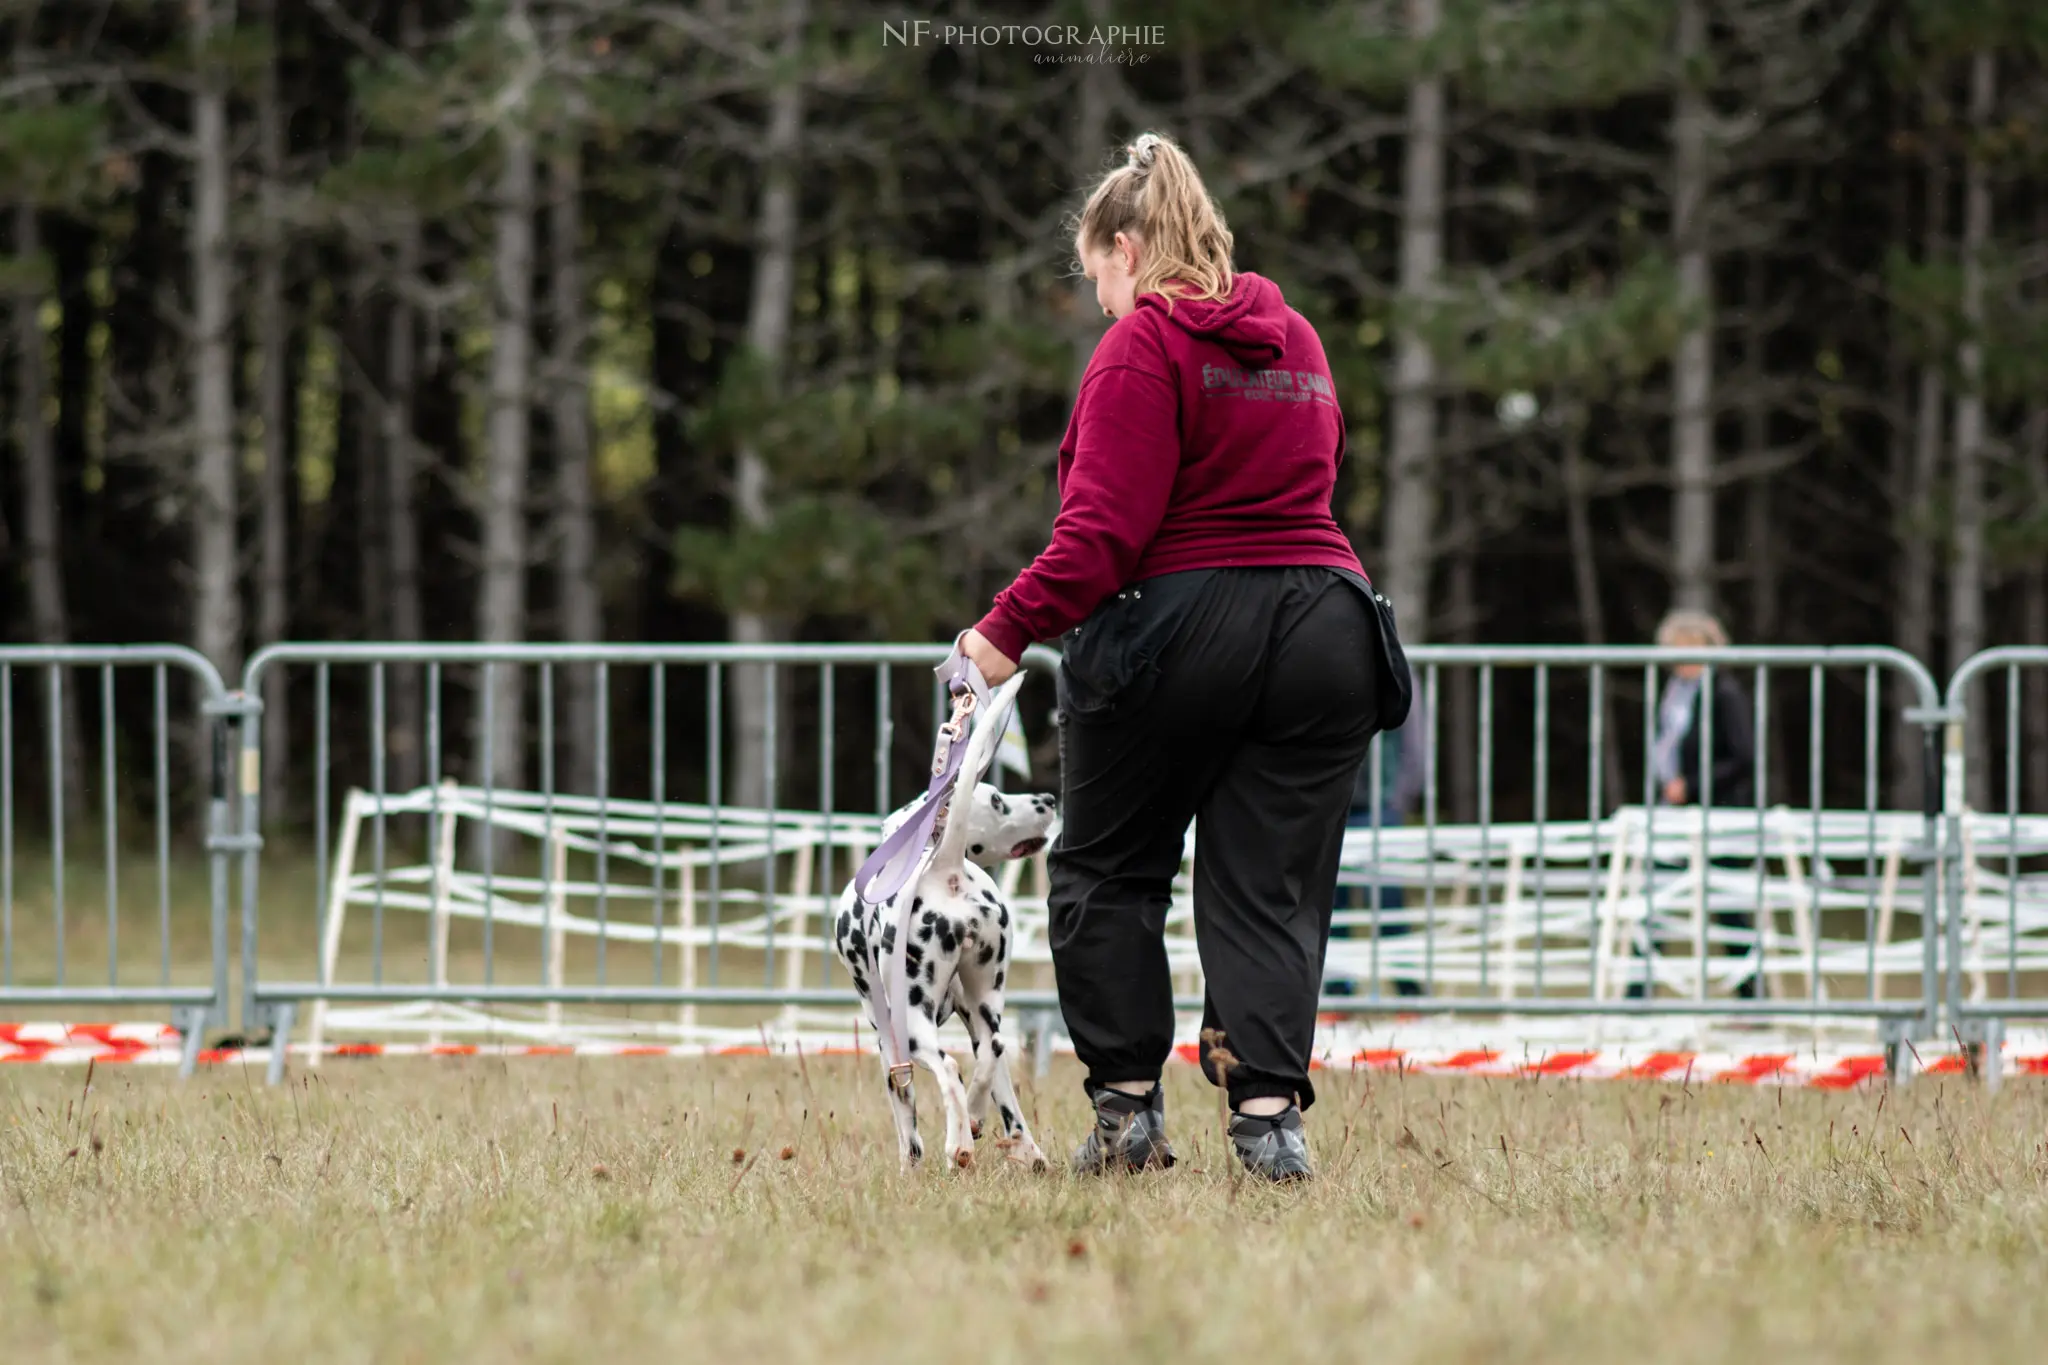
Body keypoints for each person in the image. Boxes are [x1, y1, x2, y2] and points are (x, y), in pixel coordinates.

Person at [954, 132, 1388, 1183]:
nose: (1099, 298)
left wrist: (997, 634)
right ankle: (1269, 1122)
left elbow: (1100, 534)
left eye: (1095, 272)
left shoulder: (1141, 346)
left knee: (1107, 867)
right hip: (1327, 627)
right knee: (1268, 886)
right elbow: (1313, 484)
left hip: (1179, 628)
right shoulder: (1298, 340)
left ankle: (1128, 1116)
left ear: (1128, 244)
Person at [1642, 608, 1759, 998]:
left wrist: (1690, 785)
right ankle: (1636, 991)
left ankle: (1751, 996)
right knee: (1655, 896)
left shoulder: (1724, 693)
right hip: (1677, 812)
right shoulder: (1675, 691)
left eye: (1691, 650)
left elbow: (1743, 756)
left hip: (1719, 811)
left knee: (1729, 907)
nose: (1683, 660)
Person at [1329, 681, 1426, 999]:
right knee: (1333, 906)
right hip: (1333, 806)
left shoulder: (1398, 666)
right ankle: (1338, 991)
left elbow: (1415, 744)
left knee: (1389, 907)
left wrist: (1397, 799)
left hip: (1380, 808)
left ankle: (1408, 993)